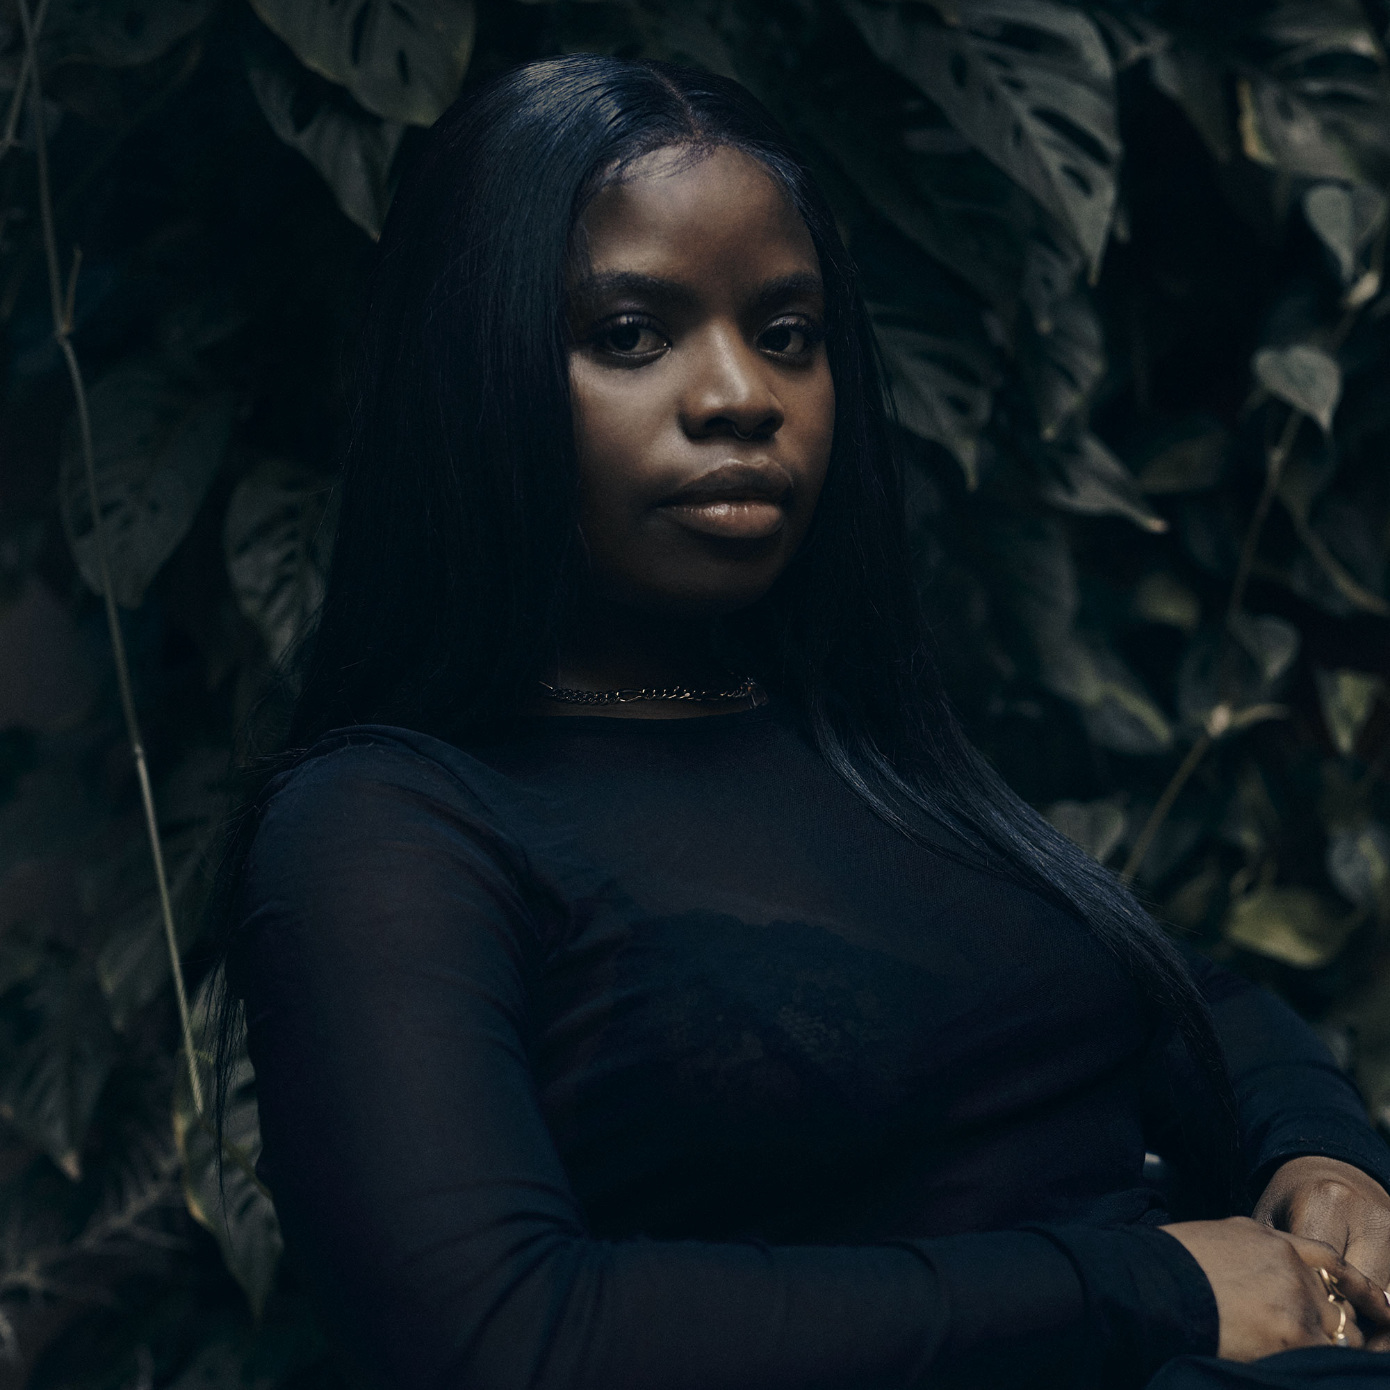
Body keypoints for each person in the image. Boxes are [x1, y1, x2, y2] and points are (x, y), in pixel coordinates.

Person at [218, 55, 1390, 1390]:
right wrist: (1151, 1285)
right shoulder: (384, 828)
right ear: (470, 369)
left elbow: (1183, 1007)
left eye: (786, 332)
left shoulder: (864, 750)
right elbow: (497, 1336)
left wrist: (1321, 1155)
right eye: (628, 334)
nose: (740, 395)